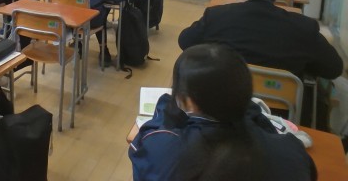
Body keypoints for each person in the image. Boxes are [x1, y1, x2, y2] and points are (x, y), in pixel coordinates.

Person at [128, 44, 317, 181]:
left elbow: (141, 157)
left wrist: (167, 110)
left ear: (189, 102)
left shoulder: (166, 149)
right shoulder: (290, 148)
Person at [178, 0, 343, 80]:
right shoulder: (304, 26)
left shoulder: (217, 16)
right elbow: (334, 69)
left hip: (224, 102)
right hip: (283, 110)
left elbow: (185, 41)